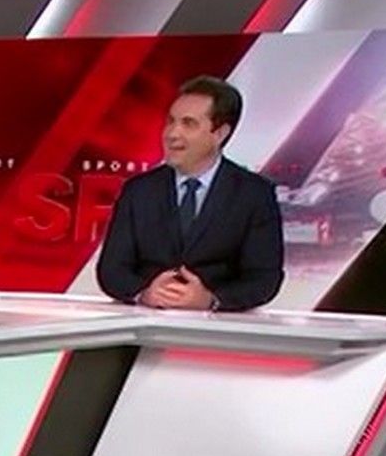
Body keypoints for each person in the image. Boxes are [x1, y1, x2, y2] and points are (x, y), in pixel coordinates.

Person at [96, 75, 284, 311]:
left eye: (188, 123)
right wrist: (144, 293)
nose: (172, 133)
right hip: (145, 320)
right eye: (171, 121)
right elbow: (111, 271)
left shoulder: (254, 194)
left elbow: (264, 279)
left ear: (220, 133)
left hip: (215, 328)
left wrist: (211, 300)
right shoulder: (138, 191)